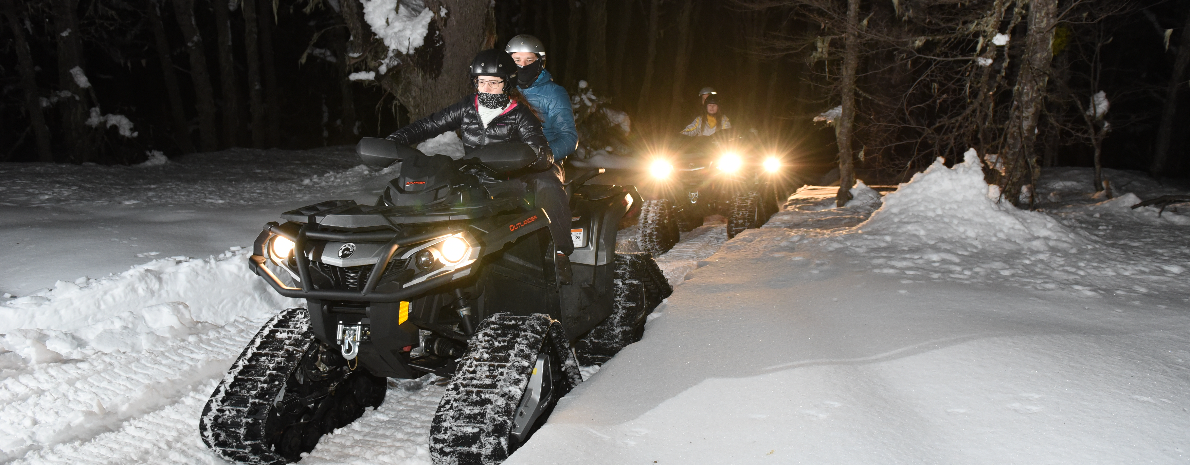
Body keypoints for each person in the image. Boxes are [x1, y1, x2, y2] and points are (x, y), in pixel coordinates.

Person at [385, 49, 574, 283]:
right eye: (481, 82)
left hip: (512, 177)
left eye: (494, 83)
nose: (486, 88)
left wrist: (528, 157)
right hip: (474, 176)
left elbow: (541, 151)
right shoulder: (467, 107)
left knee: (547, 184)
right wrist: (394, 141)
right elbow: (429, 125)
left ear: (507, 84)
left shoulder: (520, 114)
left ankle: (559, 253)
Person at [505, 34, 578, 162]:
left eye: (529, 60)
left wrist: (543, 155)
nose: (523, 65)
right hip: (507, 162)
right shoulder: (499, 89)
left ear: (539, 62)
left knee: (542, 182)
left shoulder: (554, 93)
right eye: (517, 60)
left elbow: (568, 137)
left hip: (544, 164)